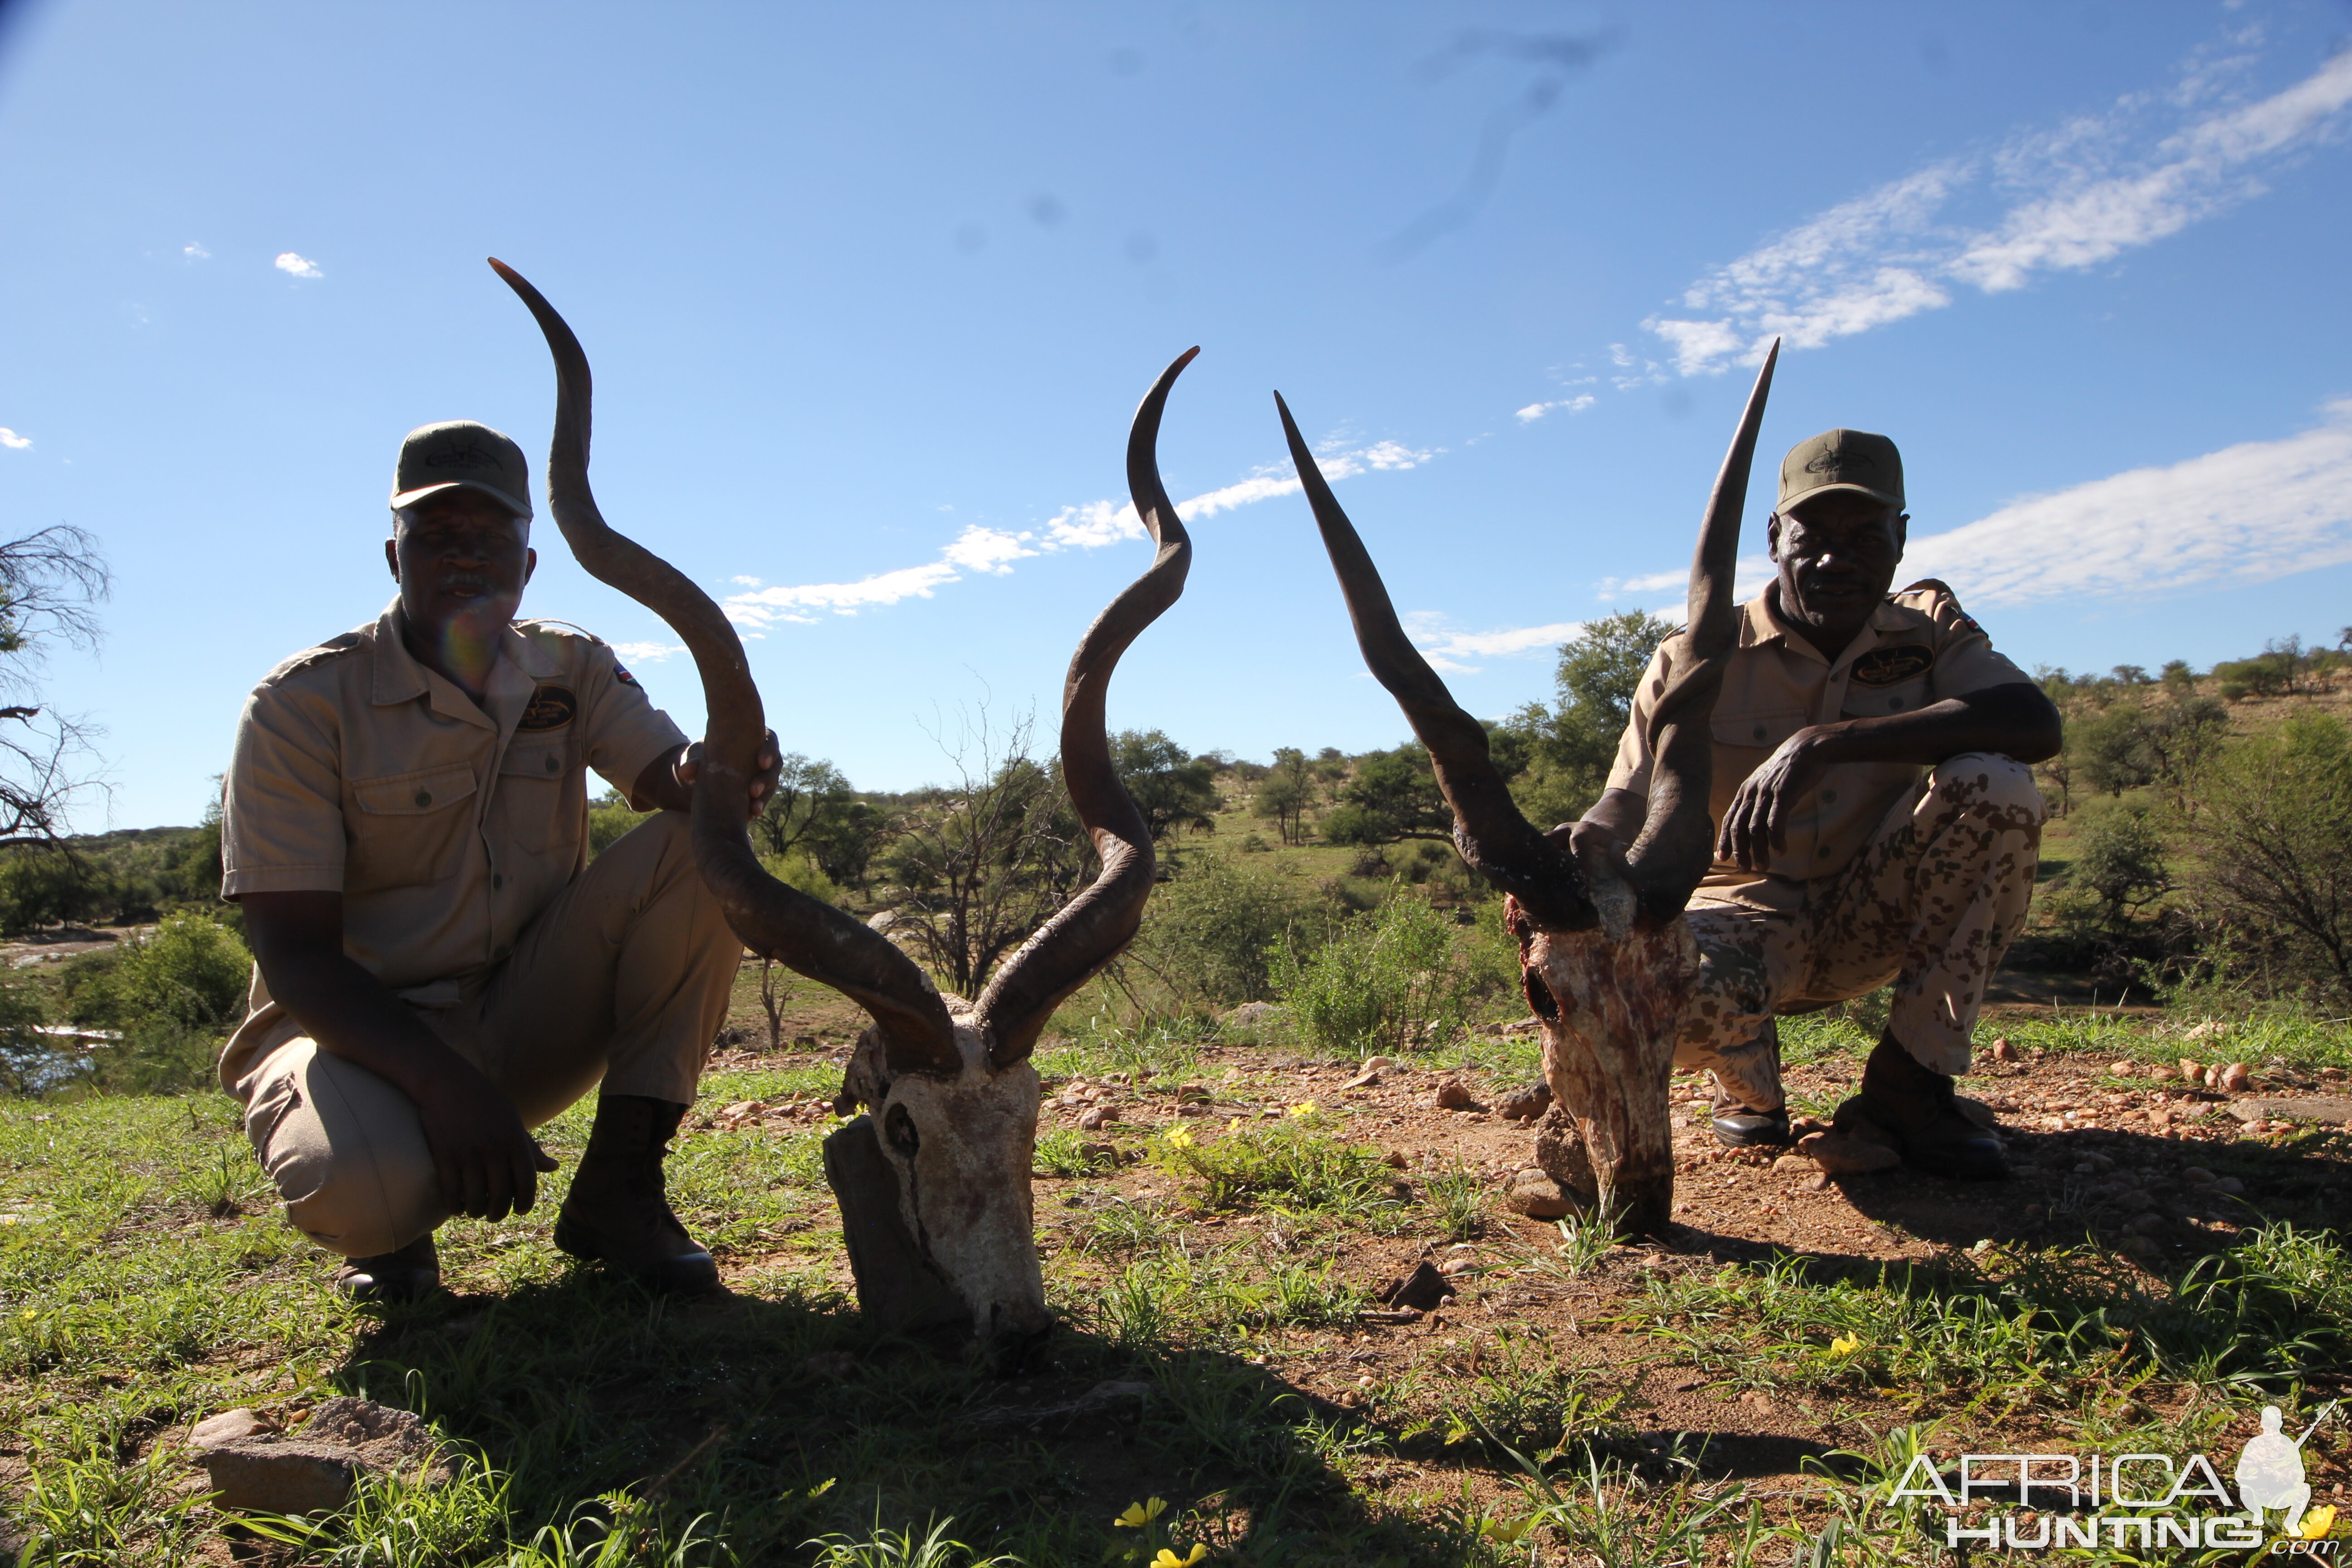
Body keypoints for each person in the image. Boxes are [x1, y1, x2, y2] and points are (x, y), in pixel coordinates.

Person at [219, 419, 776, 1301]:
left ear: (527, 565)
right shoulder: (300, 708)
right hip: (355, 1037)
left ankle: (620, 1192)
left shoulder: (572, 666)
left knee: (697, 846)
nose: (464, 558)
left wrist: (715, 772)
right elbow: (296, 958)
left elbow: (664, 773)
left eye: (491, 538)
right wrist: (444, 1088)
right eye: (437, 535)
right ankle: (393, 1237)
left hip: (518, 1012)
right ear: (394, 555)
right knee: (355, 1187)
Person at [1571, 427, 2061, 1179]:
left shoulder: (1929, 629)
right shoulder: (1695, 653)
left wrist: (1826, 741)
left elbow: (2035, 724)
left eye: (1866, 536)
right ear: (1775, 537)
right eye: (1815, 535)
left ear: (1900, 541)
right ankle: (1750, 1085)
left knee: (1995, 780)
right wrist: (1582, 843)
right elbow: (1625, 801)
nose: (1838, 559)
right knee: (1653, 987)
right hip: (1743, 916)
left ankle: (1910, 1085)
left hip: (1877, 911)